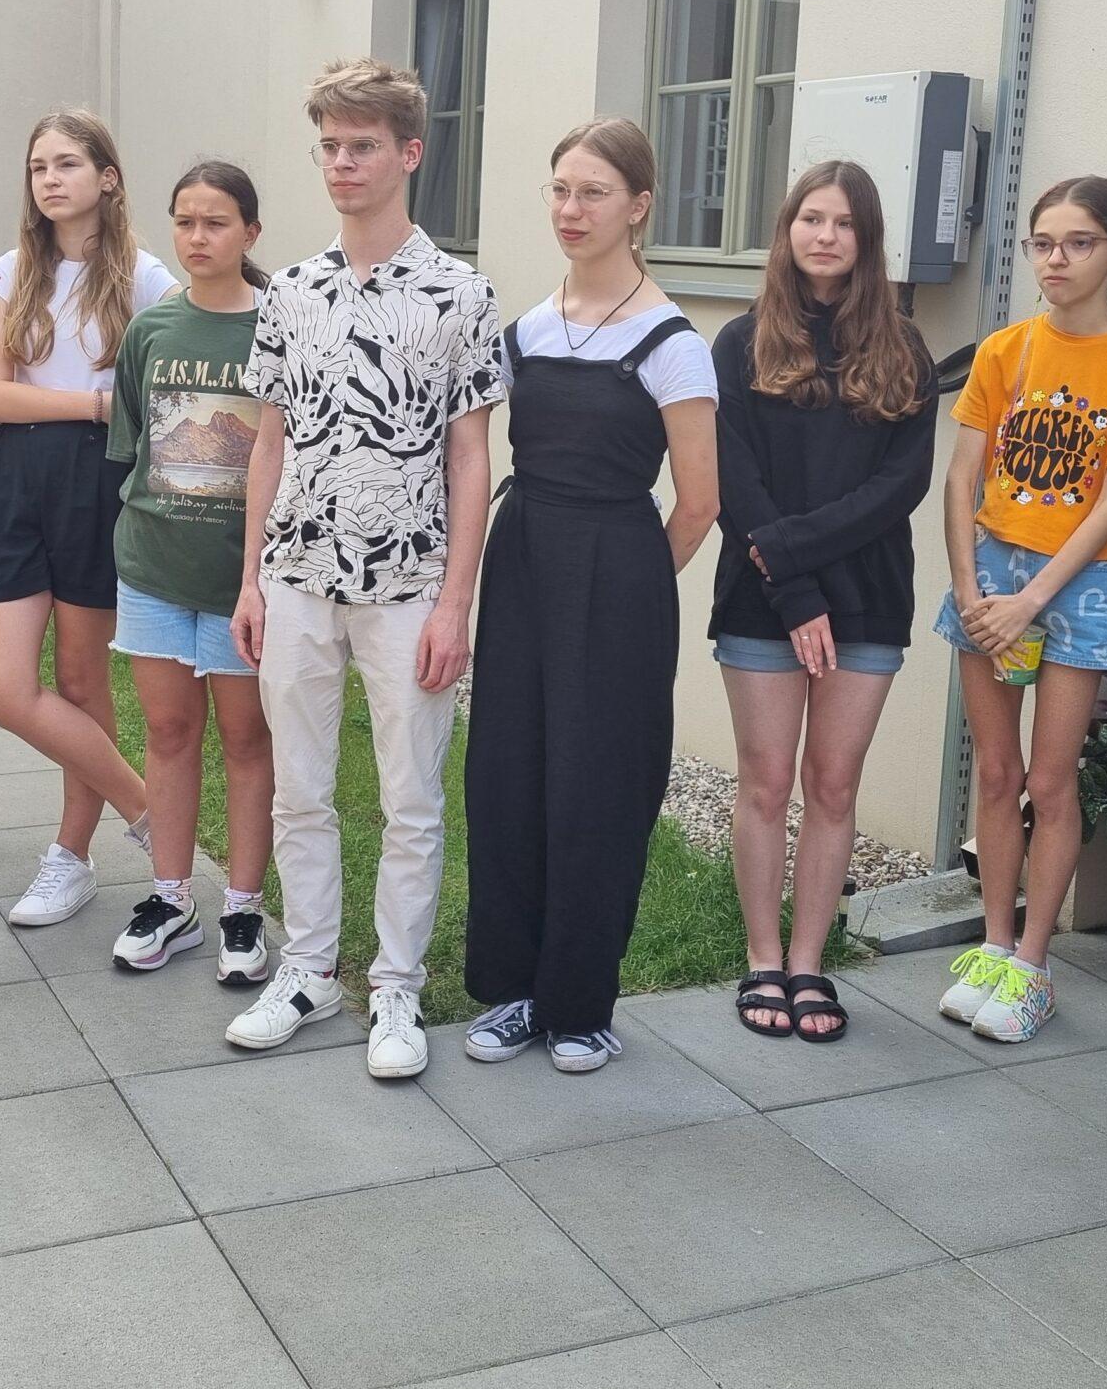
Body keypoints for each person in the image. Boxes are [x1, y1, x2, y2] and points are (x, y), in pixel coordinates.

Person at [227, 58, 503, 1079]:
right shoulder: (291, 292)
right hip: (296, 575)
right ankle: (306, 970)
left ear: (408, 153)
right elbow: (268, 442)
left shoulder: (460, 294)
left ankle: (395, 987)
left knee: (410, 802)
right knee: (299, 791)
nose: (342, 164)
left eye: (363, 147)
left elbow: (471, 458)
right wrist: (251, 580)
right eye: (330, 147)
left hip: (409, 587)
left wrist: (455, 602)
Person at [459, 119, 718, 1074]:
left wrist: (629, 586)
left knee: (598, 786)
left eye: (594, 193)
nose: (571, 210)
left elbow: (699, 502)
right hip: (523, 560)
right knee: (509, 777)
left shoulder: (673, 341)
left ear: (639, 206)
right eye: (561, 190)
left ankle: (580, 1003)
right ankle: (517, 989)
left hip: (617, 577)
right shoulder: (527, 330)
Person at [934, 176, 1107, 1042]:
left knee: (1049, 781)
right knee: (996, 774)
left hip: (1076, 585)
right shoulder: (1006, 350)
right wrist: (971, 590)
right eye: (1043, 243)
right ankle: (995, 946)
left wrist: (1032, 600)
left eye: (1079, 243)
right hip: (990, 573)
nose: (1057, 260)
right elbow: (962, 476)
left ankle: (1035, 966)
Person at [706, 160, 937, 1045]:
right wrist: (795, 589)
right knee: (766, 783)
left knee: (834, 786)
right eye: (812, 218)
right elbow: (735, 481)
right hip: (762, 598)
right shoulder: (740, 342)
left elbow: (898, 487)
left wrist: (799, 559)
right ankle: (762, 957)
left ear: (866, 238)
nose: (826, 235)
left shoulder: (904, 350)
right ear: (788, 228)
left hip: (867, 600)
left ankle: (809, 963)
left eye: (843, 222)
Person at [0, 110, 171, 926]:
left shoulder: (147, 279)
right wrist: (93, 403)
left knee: (84, 683)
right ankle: (149, 808)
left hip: (99, 481)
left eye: (67, 164)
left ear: (107, 178)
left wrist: (88, 412)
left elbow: (161, 397)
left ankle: (71, 857)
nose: (49, 180)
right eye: (38, 167)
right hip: (16, 479)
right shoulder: (10, 270)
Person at [103, 160, 277, 984]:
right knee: (169, 734)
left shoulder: (278, 330)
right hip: (154, 572)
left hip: (244, 583)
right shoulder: (152, 331)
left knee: (247, 740)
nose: (197, 237)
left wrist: (260, 578)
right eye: (184, 222)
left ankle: (244, 910)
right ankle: (170, 899)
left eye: (215, 222)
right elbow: (134, 448)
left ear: (250, 232)